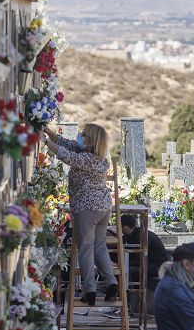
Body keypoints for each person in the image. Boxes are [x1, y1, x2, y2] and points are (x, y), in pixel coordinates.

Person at [43, 124, 117, 306]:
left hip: (87, 208)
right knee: (99, 247)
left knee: (85, 249)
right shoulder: (98, 158)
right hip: (103, 208)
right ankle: (112, 283)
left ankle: (89, 290)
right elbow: (68, 145)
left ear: (91, 140)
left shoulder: (88, 159)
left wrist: (44, 141)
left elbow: (68, 156)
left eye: (83, 135)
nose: (80, 136)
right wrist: (50, 133)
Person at [120, 213, 170, 315]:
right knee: (125, 270)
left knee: (125, 272)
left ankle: (125, 305)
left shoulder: (141, 236)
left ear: (125, 227)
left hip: (156, 267)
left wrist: (121, 264)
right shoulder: (131, 235)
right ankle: (126, 305)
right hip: (148, 265)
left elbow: (139, 259)